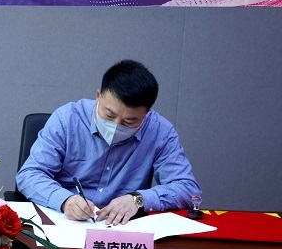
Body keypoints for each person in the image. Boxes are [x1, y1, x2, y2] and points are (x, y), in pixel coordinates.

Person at [16, 60, 201, 225]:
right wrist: (65, 200)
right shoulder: (68, 119)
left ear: (147, 112)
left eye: (129, 121)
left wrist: (138, 199)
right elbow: (30, 174)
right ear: (98, 96)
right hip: (66, 221)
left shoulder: (160, 131)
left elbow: (187, 189)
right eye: (109, 115)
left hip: (124, 228)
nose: (116, 126)